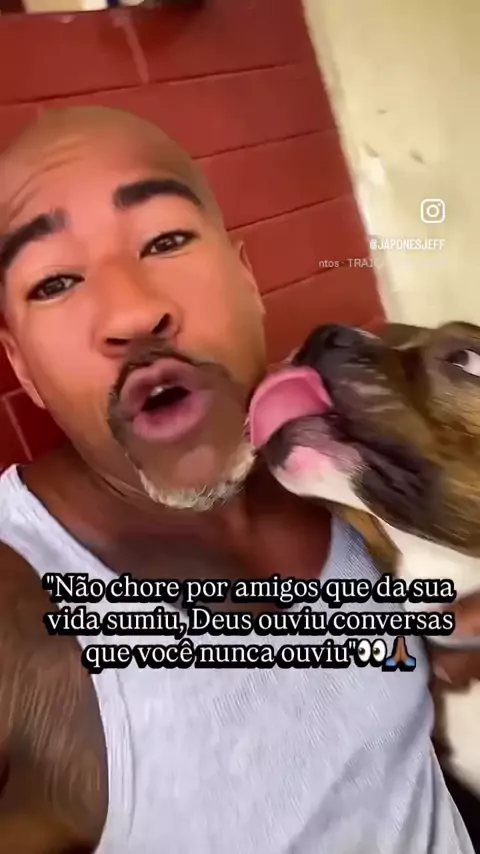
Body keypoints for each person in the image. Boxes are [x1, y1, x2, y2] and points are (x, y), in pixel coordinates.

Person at [0, 105, 478, 854]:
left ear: (246, 277)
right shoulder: (22, 612)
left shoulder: (347, 452)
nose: (133, 312)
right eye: (55, 281)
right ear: (22, 366)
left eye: (165, 240)